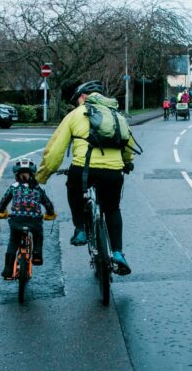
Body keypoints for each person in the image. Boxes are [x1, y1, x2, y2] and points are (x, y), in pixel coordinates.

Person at [34, 81, 137, 275]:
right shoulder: (117, 115)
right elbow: (128, 144)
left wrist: (42, 176)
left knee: (73, 188)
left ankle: (80, 228)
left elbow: (55, 150)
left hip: (83, 169)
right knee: (112, 208)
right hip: (113, 171)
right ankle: (117, 253)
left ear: (82, 97)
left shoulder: (75, 114)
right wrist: (126, 162)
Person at [0, 158, 56, 280]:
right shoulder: (38, 188)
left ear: (17, 175)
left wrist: (1, 211)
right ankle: (37, 254)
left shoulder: (13, 187)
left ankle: (8, 269)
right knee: (38, 234)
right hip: (34, 222)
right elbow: (48, 205)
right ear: (33, 174)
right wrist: (50, 214)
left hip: (17, 220)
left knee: (13, 241)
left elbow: (3, 202)